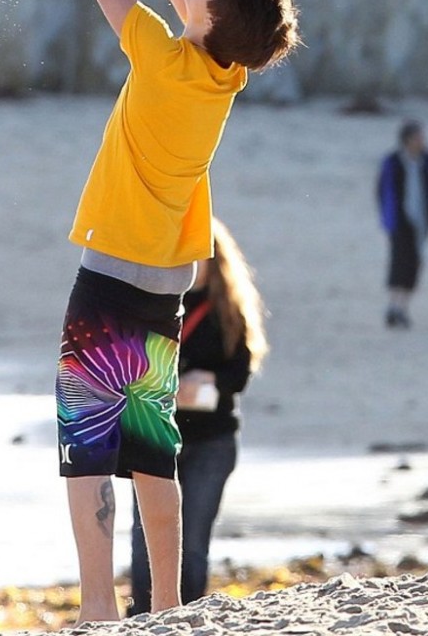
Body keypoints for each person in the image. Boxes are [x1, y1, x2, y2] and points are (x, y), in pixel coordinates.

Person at [52, 0, 299, 623]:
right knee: (152, 449)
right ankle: (161, 607)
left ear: (207, 16)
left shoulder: (159, 58)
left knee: (89, 451)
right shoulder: (221, 73)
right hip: (162, 287)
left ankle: (98, 607)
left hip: (107, 277)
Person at [128, 217, 269, 614]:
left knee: (192, 544)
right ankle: (143, 616)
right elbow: (131, 368)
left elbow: (240, 372)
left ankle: (187, 616)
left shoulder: (229, 310)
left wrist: (208, 382)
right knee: (145, 540)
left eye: (196, 255)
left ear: (213, 258)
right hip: (156, 435)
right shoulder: (156, 304)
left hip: (212, 439)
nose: (188, 264)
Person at [377, 119, 428, 328]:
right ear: (407, 140)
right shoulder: (393, 162)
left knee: (416, 263)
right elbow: (383, 191)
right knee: (400, 262)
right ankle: (394, 306)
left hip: (422, 220)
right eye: (418, 138)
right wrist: (388, 217)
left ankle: (401, 308)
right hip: (399, 219)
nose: (422, 141)